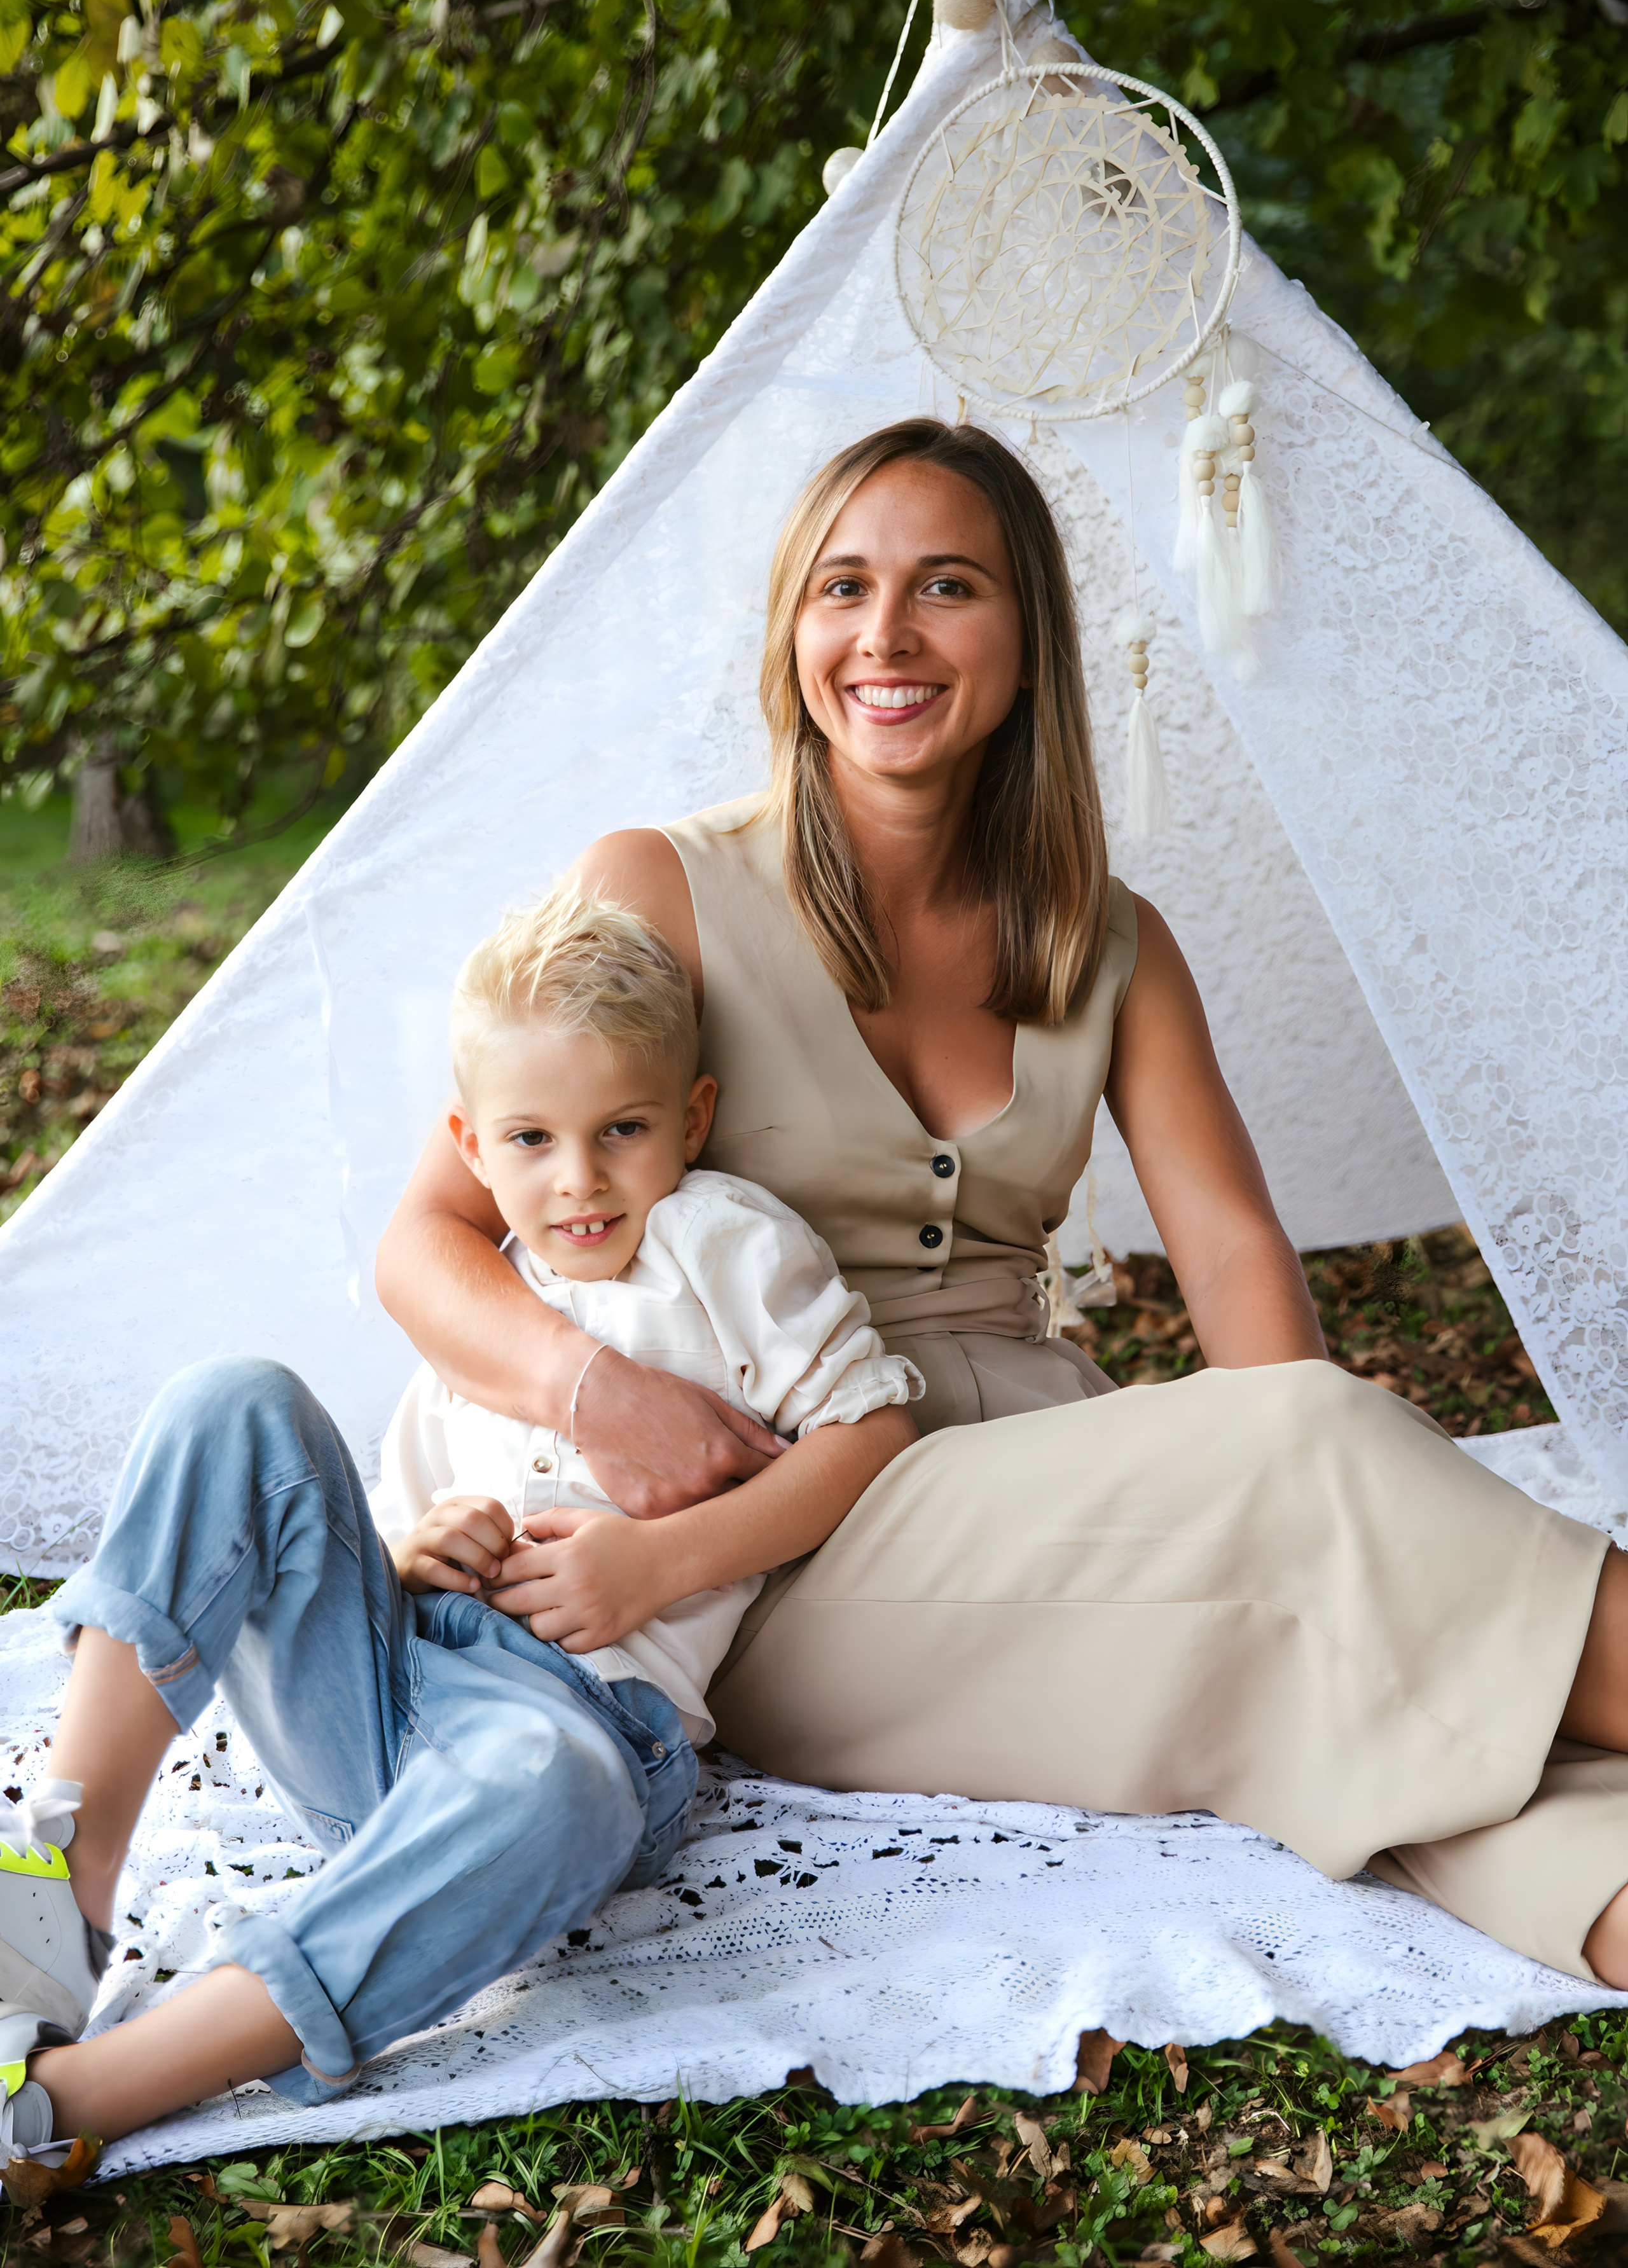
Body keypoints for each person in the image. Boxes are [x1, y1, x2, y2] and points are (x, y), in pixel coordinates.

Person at [376, 416, 1628, 1995]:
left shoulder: (1108, 940)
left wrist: (1285, 1451)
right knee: (1312, 1497)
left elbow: (1235, 1262)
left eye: (944, 586)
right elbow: (425, 1238)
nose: (884, 634)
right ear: (791, 631)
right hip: (769, 1544)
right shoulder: (658, 888)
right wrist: (594, 1389)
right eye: (841, 586)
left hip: (1041, 1475)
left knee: (1314, 1642)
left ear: (1026, 640)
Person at [0, 891, 918, 2155]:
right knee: (234, 1401)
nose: (579, 1178)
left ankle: (85, 2100)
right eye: (530, 1138)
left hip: (571, 1731)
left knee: (559, 1783)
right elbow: (363, 1532)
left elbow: (870, 1432)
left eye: (623, 1130)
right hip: (375, 1697)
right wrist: (407, 1555)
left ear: (691, 1119)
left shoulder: (726, 1247)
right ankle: (62, 1888)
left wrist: (659, 1562)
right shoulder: (487, 1297)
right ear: (470, 1145)